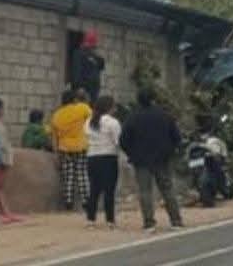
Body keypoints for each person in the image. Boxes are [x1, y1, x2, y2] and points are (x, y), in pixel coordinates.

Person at [119, 88, 183, 232]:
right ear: (154, 99)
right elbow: (176, 137)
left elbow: (123, 140)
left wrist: (132, 153)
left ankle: (149, 223)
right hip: (162, 159)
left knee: (145, 191)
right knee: (167, 189)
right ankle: (176, 220)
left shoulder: (133, 118)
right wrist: (170, 151)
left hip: (141, 160)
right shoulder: (165, 116)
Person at [51, 90, 92, 211]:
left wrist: (56, 151)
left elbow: (54, 137)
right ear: (74, 99)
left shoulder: (57, 115)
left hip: (64, 147)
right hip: (81, 145)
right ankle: (85, 201)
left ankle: (68, 201)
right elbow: (92, 120)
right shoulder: (83, 108)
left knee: (68, 174)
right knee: (82, 173)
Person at [85, 95, 121, 229]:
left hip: (92, 157)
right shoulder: (113, 122)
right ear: (110, 107)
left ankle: (90, 219)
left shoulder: (89, 121)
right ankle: (110, 220)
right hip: (108, 157)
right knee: (109, 190)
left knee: (94, 189)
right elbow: (118, 141)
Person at [71, 29, 105, 104]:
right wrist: (79, 87)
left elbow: (101, 66)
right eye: (92, 46)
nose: (93, 48)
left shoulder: (95, 57)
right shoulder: (79, 54)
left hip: (94, 90)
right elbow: (76, 70)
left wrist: (95, 57)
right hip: (84, 89)